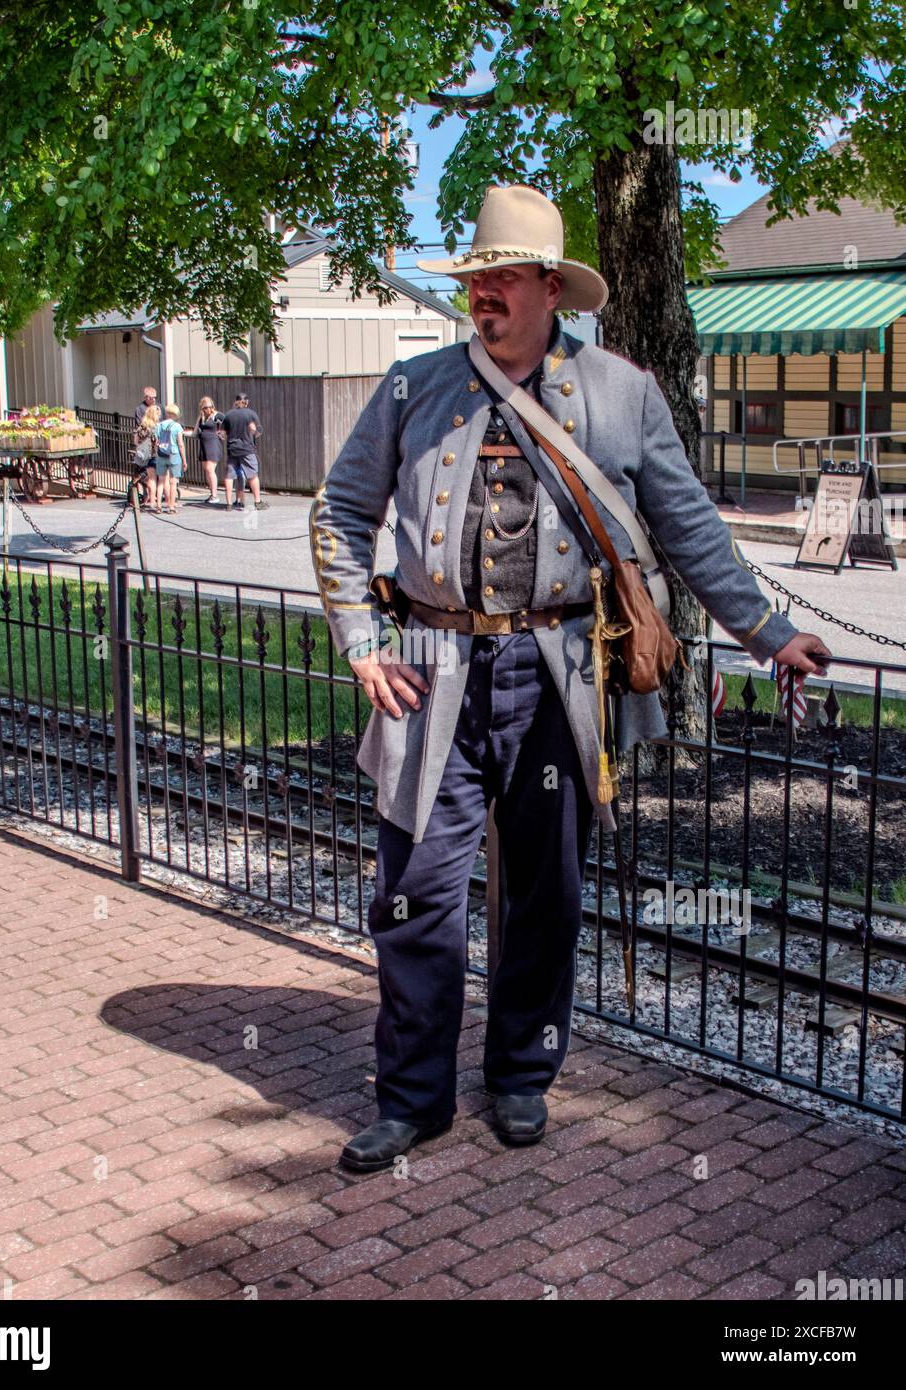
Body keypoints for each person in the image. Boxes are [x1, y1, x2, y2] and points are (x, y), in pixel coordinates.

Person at [308, 183, 831, 1173]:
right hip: (427, 667)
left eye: (500, 279)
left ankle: (519, 1074)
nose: (482, 296)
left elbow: (688, 529)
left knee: (545, 887)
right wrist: (359, 638)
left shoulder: (622, 393)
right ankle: (412, 1096)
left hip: (560, 673)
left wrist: (765, 631)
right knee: (417, 891)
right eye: (473, 280)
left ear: (550, 287)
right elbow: (337, 514)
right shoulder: (412, 388)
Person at [220, 392, 269, 511]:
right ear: (246, 402)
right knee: (252, 475)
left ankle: (229, 504)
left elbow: (222, 434)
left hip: (232, 449)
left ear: (236, 401)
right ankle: (257, 502)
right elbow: (257, 430)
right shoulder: (251, 414)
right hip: (247, 449)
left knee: (229, 476)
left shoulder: (228, 415)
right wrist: (254, 433)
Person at [154, 403, 186, 514]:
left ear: (167, 413)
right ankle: (171, 506)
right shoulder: (177, 426)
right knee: (173, 482)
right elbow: (180, 444)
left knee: (161, 482)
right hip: (174, 455)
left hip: (161, 454)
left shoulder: (159, 425)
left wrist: (156, 453)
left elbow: (156, 442)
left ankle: (158, 506)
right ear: (176, 414)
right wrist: (184, 460)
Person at [194, 396, 225, 504]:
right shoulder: (201, 417)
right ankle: (212, 493)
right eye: (205, 407)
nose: (207, 409)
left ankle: (215, 495)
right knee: (206, 469)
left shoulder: (217, 416)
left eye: (209, 406)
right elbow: (195, 432)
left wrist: (222, 434)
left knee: (210, 468)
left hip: (213, 445)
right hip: (204, 445)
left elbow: (227, 425)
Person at [133, 404, 161, 510]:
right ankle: (155, 500)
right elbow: (157, 442)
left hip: (144, 455)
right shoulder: (156, 427)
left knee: (150, 478)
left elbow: (136, 441)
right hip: (155, 454)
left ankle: (150, 499)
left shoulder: (142, 426)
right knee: (156, 479)